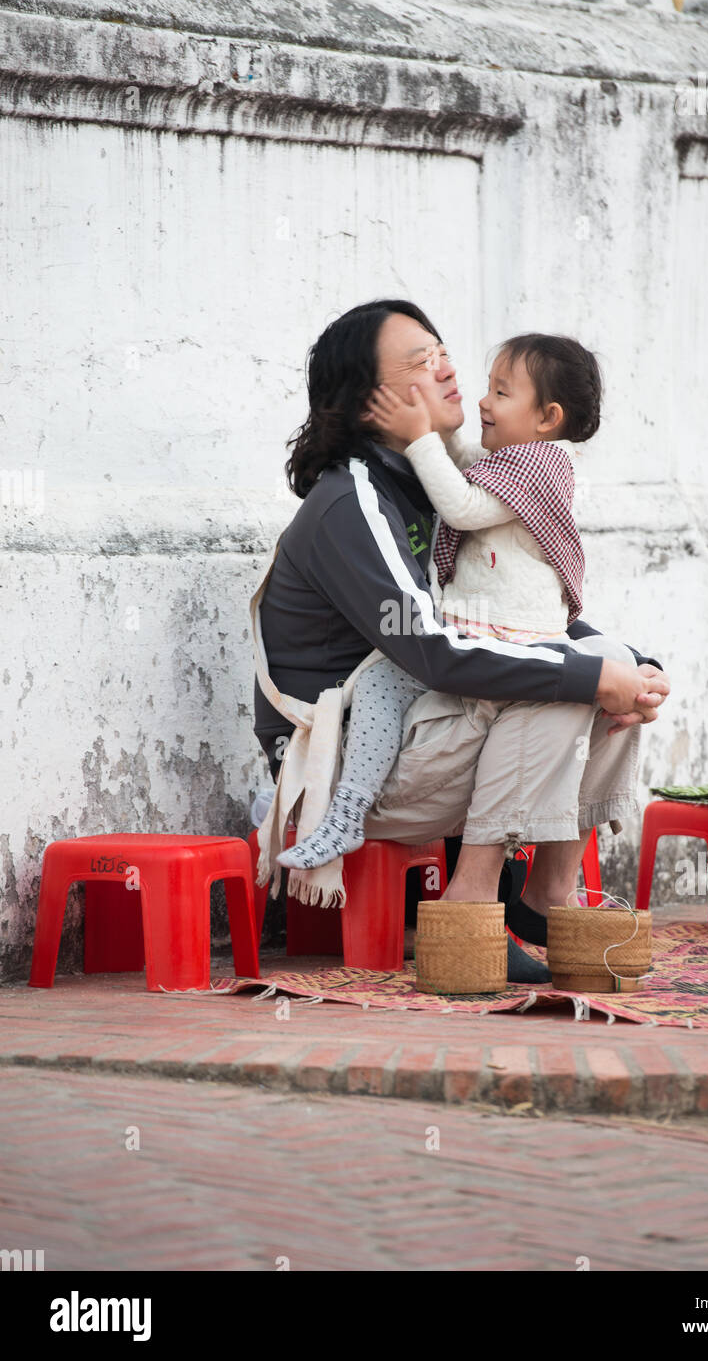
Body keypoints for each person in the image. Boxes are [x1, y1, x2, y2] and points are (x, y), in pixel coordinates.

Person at [252, 299, 670, 979]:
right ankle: (471, 900)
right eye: (419, 362)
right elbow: (433, 652)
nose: (447, 371)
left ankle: (544, 894)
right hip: (354, 764)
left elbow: (507, 612)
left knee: (606, 667)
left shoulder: (437, 480)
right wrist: (586, 678)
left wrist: (631, 669)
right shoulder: (350, 502)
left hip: (426, 728)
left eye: (441, 351)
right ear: (370, 403)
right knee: (561, 685)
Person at [277, 332, 610, 885]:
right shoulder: (357, 498)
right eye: (426, 364)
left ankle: (518, 889)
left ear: (548, 417)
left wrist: (419, 440)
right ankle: (359, 817)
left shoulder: (539, 464)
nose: (478, 398)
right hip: (476, 643)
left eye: (500, 393)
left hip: (496, 641)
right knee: (589, 678)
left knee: (592, 676)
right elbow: (462, 468)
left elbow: (460, 504)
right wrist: (427, 436)